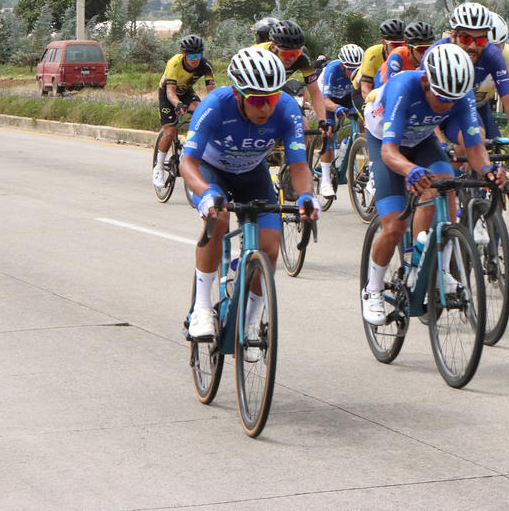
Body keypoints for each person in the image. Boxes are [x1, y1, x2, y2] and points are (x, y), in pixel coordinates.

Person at [360, 43, 507, 325]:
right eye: (440, 97)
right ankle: (373, 289)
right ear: (426, 80)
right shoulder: (405, 87)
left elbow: (474, 148)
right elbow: (390, 153)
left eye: (453, 99)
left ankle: (440, 270)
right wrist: (411, 169)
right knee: (394, 225)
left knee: (447, 185)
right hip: (385, 142)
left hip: (421, 139)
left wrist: (488, 170)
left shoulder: (459, 97)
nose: (446, 105)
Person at [180, 47, 320, 340]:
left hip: (252, 174)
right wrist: (205, 194)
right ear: (237, 92)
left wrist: (307, 196)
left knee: (269, 247)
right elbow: (187, 163)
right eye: (257, 100)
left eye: (271, 99)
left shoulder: (286, 109)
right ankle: (202, 309)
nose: (266, 108)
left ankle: (252, 320)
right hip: (211, 170)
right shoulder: (215, 105)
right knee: (217, 220)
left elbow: (298, 165)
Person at [425, 3, 509, 164]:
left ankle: (469, 185)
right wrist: (441, 143)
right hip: (429, 112)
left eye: (480, 41)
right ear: (453, 36)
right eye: (466, 39)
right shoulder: (435, 54)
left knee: (475, 141)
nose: (472, 46)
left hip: (461, 109)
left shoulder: (491, 55)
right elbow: (423, 103)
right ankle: (452, 184)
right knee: (438, 164)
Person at [153, 34, 215, 187]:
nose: (195, 59)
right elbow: (170, 93)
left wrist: (216, 108)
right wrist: (178, 105)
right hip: (168, 93)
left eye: (198, 55)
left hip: (186, 92)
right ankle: (159, 166)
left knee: (202, 112)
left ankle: (189, 142)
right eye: (192, 56)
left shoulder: (205, 66)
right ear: (184, 54)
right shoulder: (174, 63)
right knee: (170, 131)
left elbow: (212, 92)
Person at [254, 20, 331, 138]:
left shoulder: (302, 58)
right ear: (274, 47)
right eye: (287, 54)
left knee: (303, 128)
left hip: (280, 87)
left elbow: (315, 92)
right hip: (256, 89)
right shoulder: (258, 54)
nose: (292, 58)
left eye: (296, 53)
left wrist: (322, 121)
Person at [316, 43, 364, 197]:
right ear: (343, 65)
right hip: (328, 99)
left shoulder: (362, 72)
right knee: (329, 132)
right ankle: (325, 180)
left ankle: (359, 153)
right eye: (350, 68)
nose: (353, 72)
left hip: (347, 98)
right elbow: (324, 100)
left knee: (364, 121)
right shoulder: (332, 70)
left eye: (357, 67)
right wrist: (336, 108)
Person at [472, 13, 509, 139]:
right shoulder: (469, 54)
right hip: (455, 106)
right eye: (489, 46)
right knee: (471, 143)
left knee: (496, 146)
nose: (495, 51)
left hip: (481, 105)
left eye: (499, 45)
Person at [354, 18, 405, 102]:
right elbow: (365, 88)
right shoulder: (372, 53)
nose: (399, 48)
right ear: (383, 43)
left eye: (402, 44)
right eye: (395, 44)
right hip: (362, 90)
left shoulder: (407, 53)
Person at [372, 21, 435, 89]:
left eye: (428, 48)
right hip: (383, 87)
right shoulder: (397, 56)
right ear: (409, 47)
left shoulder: (432, 56)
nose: (425, 52)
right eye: (421, 49)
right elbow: (392, 86)